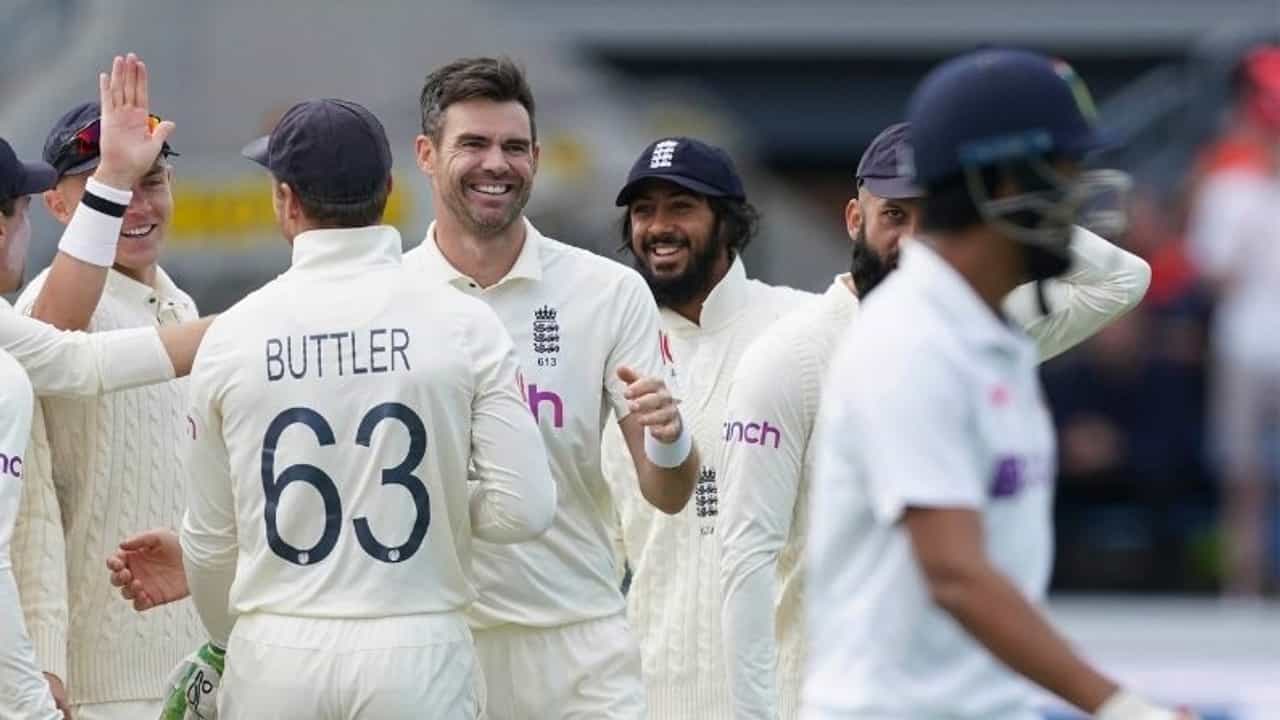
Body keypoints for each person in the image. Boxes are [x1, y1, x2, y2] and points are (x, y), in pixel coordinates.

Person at [718, 120, 1155, 719]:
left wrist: (1010, 207)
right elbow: (746, 559)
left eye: (932, 218)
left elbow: (1122, 278)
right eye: (894, 216)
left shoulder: (979, 334)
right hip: (842, 695)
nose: (911, 240)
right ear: (855, 219)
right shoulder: (789, 357)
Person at [802, 49, 1191, 719]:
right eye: (1064, 173)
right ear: (1000, 183)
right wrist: (1118, 705)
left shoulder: (993, 334)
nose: (1078, 198)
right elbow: (955, 575)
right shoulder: (911, 342)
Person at [176, 96, 557, 720]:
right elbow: (526, 508)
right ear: (388, 190)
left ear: (286, 199)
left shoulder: (232, 336)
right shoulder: (463, 323)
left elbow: (209, 542)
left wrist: (225, 643)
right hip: (417, 647)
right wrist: (436, 498)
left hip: (277, 650)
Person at [2, 53, 211, 720]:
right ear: (59, 205)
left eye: (154, 181)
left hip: (192, 667)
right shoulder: (50, 304)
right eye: (115, 190)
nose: (138, 206)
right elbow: (62, 339)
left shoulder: (179, 304)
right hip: (98, 685)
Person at [599, 136, 811, 719]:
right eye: (644, 210)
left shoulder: (801, 326)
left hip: (787, 695)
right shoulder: (613, 350)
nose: (658, 227)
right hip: (652, 697)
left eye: (681, 207)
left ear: (728, 222)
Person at [1185, 44, 1280, 596]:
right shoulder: (1227, 188)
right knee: (1243, 478)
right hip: (1244, 344)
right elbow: (1210, 273)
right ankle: (1242, 589)